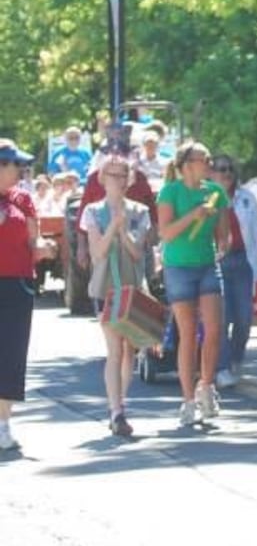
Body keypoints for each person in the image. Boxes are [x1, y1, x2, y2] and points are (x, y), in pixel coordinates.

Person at [156, 141, 233, 427]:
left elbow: (224, 237)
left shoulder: (216, 193)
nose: (209, 165)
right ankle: (188, 399)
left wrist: (223, 244)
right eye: (205, 160)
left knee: (213, 329)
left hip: (207, 264)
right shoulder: (170, 192)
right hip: (178, 266)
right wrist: (193, 215)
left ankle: (207, 387)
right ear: (188, 165)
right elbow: (166, 232)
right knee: (188, 333)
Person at [83, 157, 152, 438]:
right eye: (112, 174)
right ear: (102, 178)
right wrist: (112, 226)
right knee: (115, 349)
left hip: (132, 287)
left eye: (123, 175)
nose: (118, 180)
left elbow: (138, 253)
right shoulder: (92, 211)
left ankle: (119, 403)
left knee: (129, 349)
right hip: (106, 288)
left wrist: (123, 229)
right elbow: (97, 253)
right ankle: (116, 410)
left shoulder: (141, 212)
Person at [210, 154, 257, 387]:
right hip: (216, 261)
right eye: (220, 169)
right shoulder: (206, 199)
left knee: (244, 317)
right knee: (222, 317)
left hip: (241, 261)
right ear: (211, 173)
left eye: (230, 169)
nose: (226, 174)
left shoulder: (246, 198)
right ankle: (222, 367)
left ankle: (235, 358)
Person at [0, 141, 44, 452]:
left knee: (12, 353)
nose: (21, 171)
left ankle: (3, 423)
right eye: (16, 165)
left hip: (17, 283)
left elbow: (34, 238)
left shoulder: (24, 199)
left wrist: (43, 247)